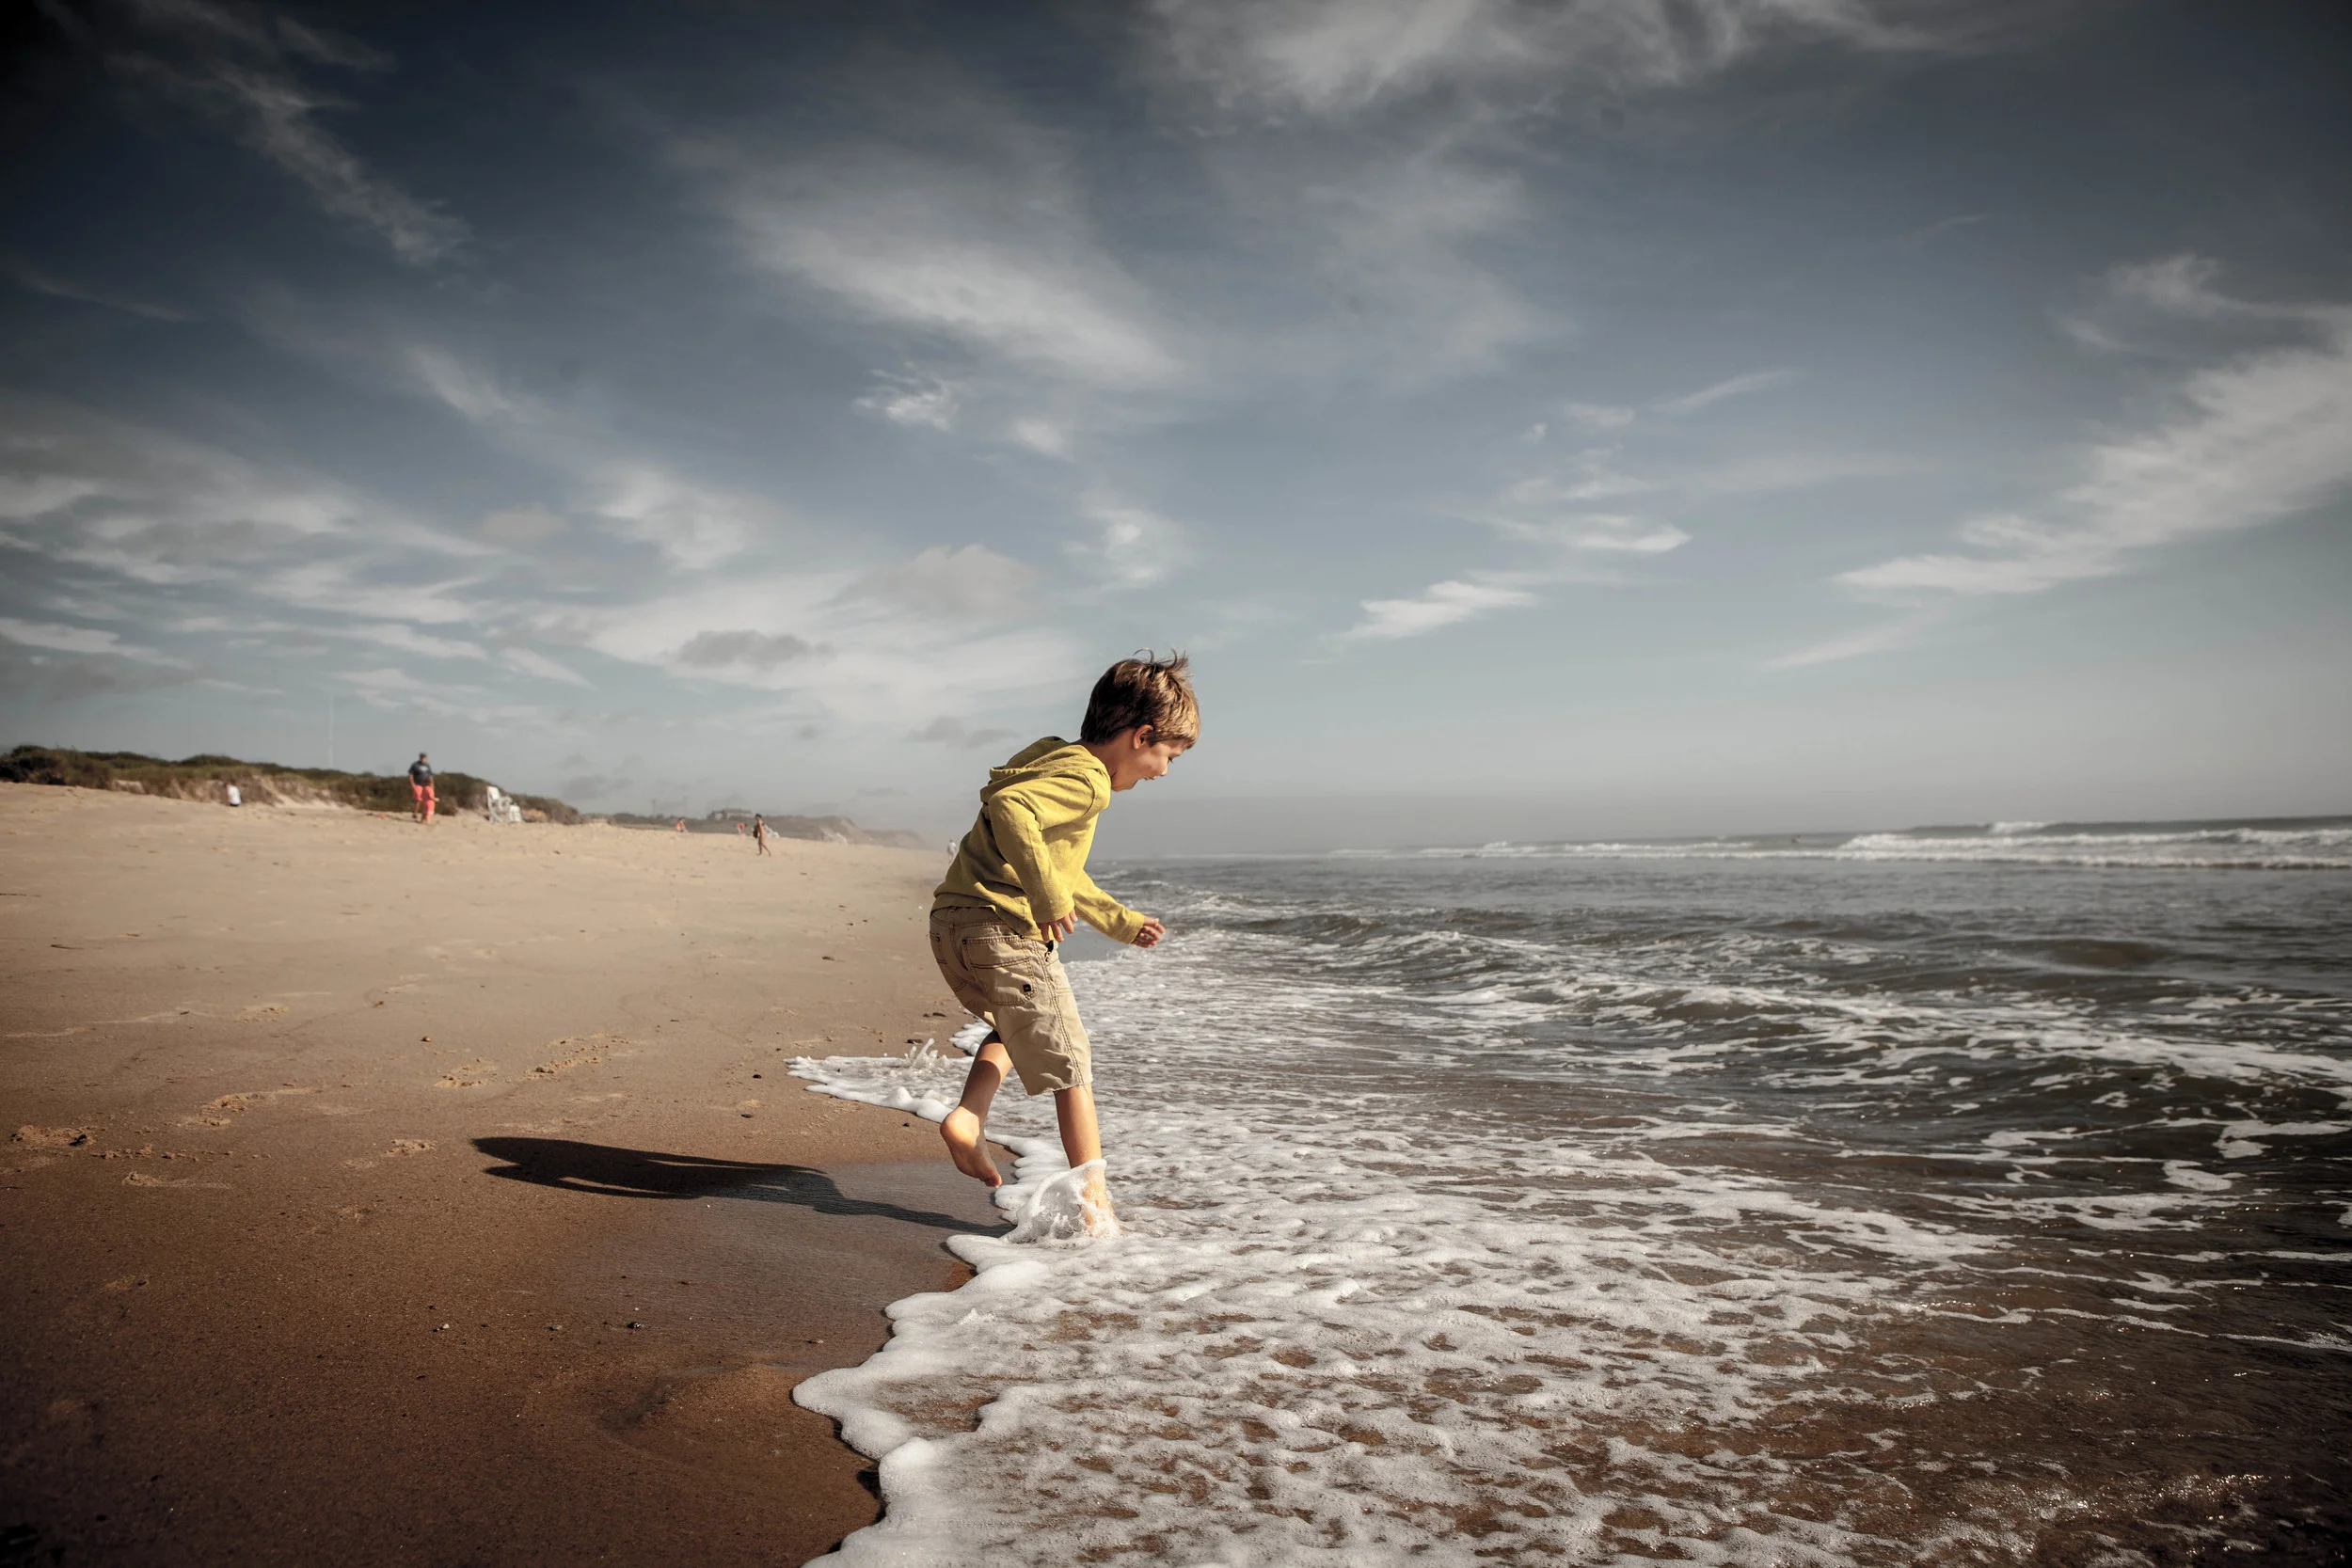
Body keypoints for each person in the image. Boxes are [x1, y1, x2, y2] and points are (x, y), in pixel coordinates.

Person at [930, 653, 1197, 1233]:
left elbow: (1057, 865)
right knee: (1072, 1067)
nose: (1163, 772)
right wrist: (1046, 898)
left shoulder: (1054, 762)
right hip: (1005, 930)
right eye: (1168, 756)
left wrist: (1120, 921)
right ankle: (1096, 1211)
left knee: (1014, 1028)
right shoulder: (1088, 780)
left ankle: (969, 1116)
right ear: (1141, 736)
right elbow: (1010, 810)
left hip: (954, 923)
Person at [407, 753, 435, 824]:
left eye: (424, 758)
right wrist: (412, 784)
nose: (423, 759)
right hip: (418, 784)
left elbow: (430, 775)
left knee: (426, 800)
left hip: (426, 785)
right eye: (422, 758)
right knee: (418, 799)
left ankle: (424, 816)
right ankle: (415, 812)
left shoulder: (427, 765)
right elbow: (410, 774)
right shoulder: (415, 765)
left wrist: (431, 784)